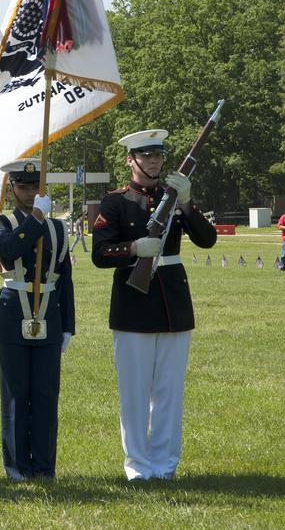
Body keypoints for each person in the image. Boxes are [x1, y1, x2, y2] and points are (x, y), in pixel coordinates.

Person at [92, 129, 216, 480]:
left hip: (172, 304)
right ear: (131, 160)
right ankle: (137, 467)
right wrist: (133, 249)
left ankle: (164, 466)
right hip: (134, 304)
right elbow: (101, 254)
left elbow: (207, 239)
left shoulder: (174, 196)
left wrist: (188, 203)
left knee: (169, 392)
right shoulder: (115, 202)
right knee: (133, 393)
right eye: (146, 156)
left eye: (158, 155)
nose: (154, 161)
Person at [0, 159, 75, 481]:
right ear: (12, 189)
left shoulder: (59, 227)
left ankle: (44, 466)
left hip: (49, 311)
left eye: (35, 187)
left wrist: (68, 325)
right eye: (23, 187)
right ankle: (17, 467)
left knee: (46, 395)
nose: (29, 192)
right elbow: (8, 250)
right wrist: (36, 217)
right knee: (15, 394)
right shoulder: (1, 222)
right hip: (14, 313)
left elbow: (65, 278)